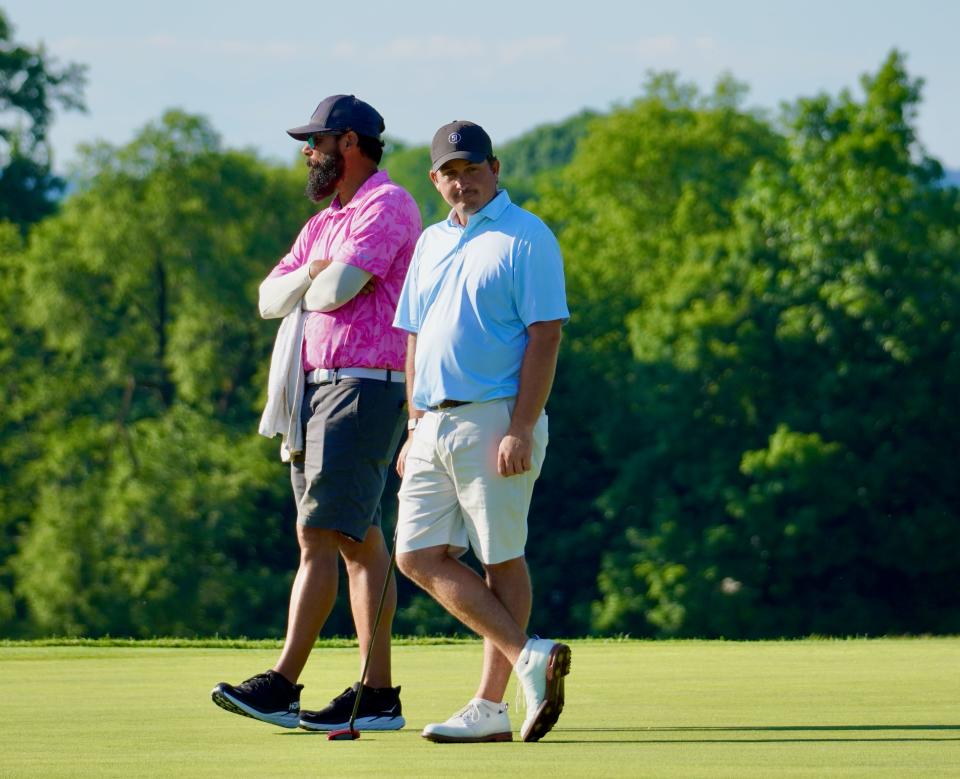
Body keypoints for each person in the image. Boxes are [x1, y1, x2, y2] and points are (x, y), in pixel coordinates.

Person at [211, 94, 422, 732]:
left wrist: (313, 276)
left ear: (349, 142)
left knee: (333, 535)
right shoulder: (327, 222)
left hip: (362, 385)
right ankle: (375, 695)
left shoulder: (388, 204)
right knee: (344, 538)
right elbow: (268, 299)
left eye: (317, 141)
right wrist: (313, 272)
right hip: (314, 389)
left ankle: (287, 682)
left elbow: (334, 290)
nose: (309, 151)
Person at [392, 120, 570, 743]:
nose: (461, 181)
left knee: (501, 557)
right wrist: (413, 422)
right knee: (414, 555)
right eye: (449, 171)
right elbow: (414, 333)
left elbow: (546, 334)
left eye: (472, 168)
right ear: (435, 179)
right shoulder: (429, 241)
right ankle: (530, 656)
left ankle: (491, 706)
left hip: (495, 417)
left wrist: (521, 426)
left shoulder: (527, 237)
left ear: (495, 168)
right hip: (431, 423)